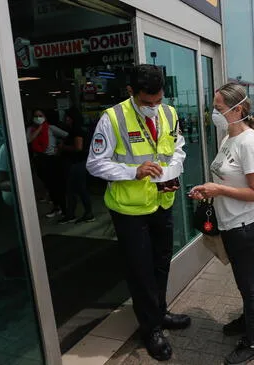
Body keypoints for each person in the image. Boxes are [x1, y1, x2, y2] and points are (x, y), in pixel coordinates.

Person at [86, 64, 190, 361]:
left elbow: (178, 148)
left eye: (159, 100)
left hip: (162, 202)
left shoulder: (169, 113)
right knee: (140, 270)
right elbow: (95, 164)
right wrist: (134, 171)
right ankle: (151, 329)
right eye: (148, 102)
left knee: (160, 263)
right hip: (129, 208)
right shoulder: (113, 117)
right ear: (131, 92)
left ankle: (160, 311)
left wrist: (171, 172)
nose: (154, 107)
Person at [189, 83, 254, 364]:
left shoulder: (249, 142)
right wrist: (207, 188)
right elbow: (225, 177)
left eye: (220, 108)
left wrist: (219, 191)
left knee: (250, 285)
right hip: (231, 223)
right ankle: (247, 319)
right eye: (214, 107)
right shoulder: (227, 137)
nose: (215, 113)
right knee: (242, 281)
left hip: (248, 226)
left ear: (238, 109)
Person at [27, 109, 69, 218]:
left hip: (51, 159)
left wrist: (60, 146)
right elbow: (29, 140)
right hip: (39, 160)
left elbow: (67, 136)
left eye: (40, 115)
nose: (38, 118)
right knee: (48, 186)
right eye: (36, 116)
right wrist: (39, 129)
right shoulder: (31, 130)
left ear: (45, 117)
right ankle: (56, 207)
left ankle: (62, 208)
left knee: (56, 186)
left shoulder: (51, 128)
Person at [58, 107, 94, 224]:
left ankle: (83, 213)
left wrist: (63, 147)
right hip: (81, 162)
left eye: (67, 117)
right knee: (77, 189)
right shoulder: (82, 129)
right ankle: (75, 213)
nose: (66, 119)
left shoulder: (76, 131)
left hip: (77, 163)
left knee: (77, 189)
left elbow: (78, 147)